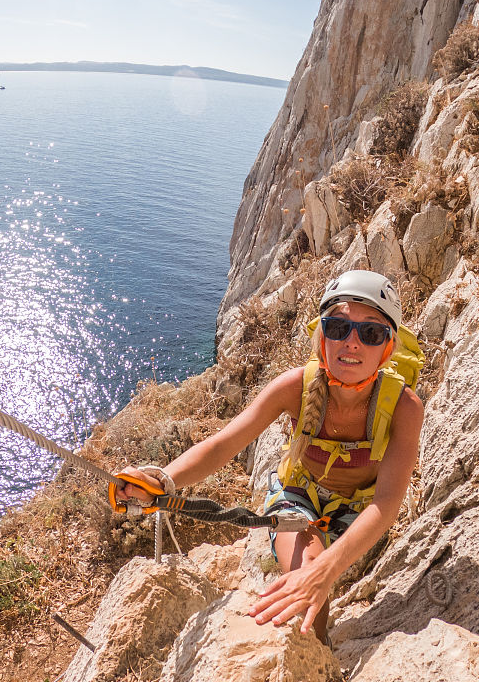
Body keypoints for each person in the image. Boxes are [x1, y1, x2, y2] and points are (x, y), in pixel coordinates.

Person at [113, 270, 423, 645]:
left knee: (317, 572)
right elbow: (224, 443)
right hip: (298, 497)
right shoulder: (295, 387)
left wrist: (328, 568)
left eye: (370, 333)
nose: (352, 343)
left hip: (361, 509)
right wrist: (162, 480)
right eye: (339, 327)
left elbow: (387, 502)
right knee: (305, 577)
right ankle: (319, 657)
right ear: (322, 336)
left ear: (388, 347)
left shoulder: (403, 407)